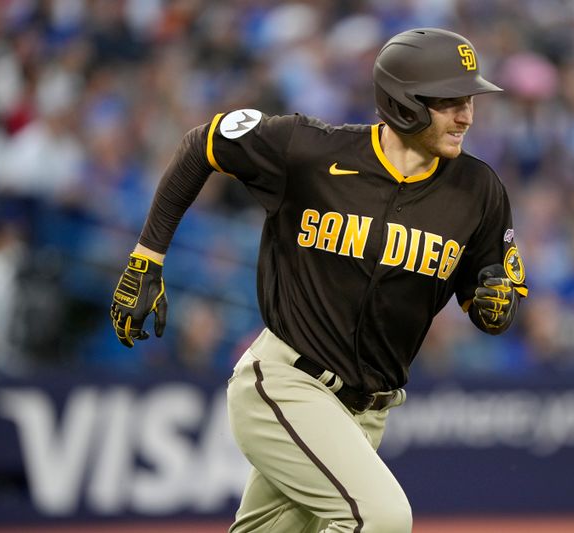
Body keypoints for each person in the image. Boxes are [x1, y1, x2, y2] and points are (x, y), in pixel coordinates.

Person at [110, 27, 528, 533]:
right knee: (381, 519)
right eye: (449, 101)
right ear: (405, 102)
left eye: (469, 100)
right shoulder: (309, 150)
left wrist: (495, 307)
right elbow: (204, 144)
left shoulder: (478, 190)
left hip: (366, 414)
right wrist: (146, 258)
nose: (466, 115)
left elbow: (490, 302)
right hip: (286, 383)